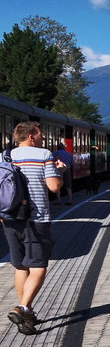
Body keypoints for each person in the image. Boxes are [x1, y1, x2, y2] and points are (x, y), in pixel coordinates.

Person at [5, 122, 66, 335]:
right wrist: (59, 172)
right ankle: (22, 308)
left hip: (10, 218)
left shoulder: (5, 156)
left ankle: (27, 316)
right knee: (38, 266)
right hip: (36, 217)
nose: (42, 139)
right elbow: (53, 186)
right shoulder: (43, 154)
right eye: (39, 135)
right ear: (31, 135)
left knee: (20, 265)